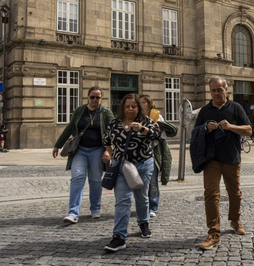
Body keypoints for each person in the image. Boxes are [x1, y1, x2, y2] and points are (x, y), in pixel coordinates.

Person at [194, 76, 252, 251]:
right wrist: (205, 128)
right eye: (213, 90)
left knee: (235, 193)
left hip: (231, 158)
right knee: (211, 194)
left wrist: (230, 127)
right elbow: (196, 132)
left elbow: (248, 129)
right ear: (210, 91)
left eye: (220, 89)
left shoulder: (236, 108)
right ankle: (213, 233)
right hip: (211, 159)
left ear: (226, 90)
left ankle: (235, 219)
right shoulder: (205, 110)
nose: (216, 93)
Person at [103, 93, 160, 253]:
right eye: (127, 106)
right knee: (123, 201)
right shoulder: (114, 123)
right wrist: (111, 154)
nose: (130, 109)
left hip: (143, 165)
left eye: (133, 106)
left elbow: (156, 135)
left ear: (139, 108)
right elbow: (106, 140)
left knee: (141, 198)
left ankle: (143, 222)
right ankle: (119, 237)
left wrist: (142, 129)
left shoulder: (147, 121)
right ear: (122, 107)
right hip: (122, 167)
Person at [53, 86, 114, 224]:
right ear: (87, 97)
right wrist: (58, 145)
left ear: (101, 98)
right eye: (92, 97)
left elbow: (112, 132)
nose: (94, 100)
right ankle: (73, 212)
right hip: (80, 150)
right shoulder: (80, 110)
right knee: (77, 177)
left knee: (95, 180)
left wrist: (108, 150)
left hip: (98, 150)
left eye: (97, 97)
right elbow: (70, 128)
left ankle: (95, 209)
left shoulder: (106, 113)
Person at [139, 94, 172, 219]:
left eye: (144, 102)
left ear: (149, 104)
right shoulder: (136, 116)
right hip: (139, 153)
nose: (141, 104)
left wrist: (158, 130)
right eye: (140, 102)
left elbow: (164, 136)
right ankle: (143, 205)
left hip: (153, 152)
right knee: (140, 183)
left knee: (153, 182)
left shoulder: (157, 116)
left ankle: (153, 206)